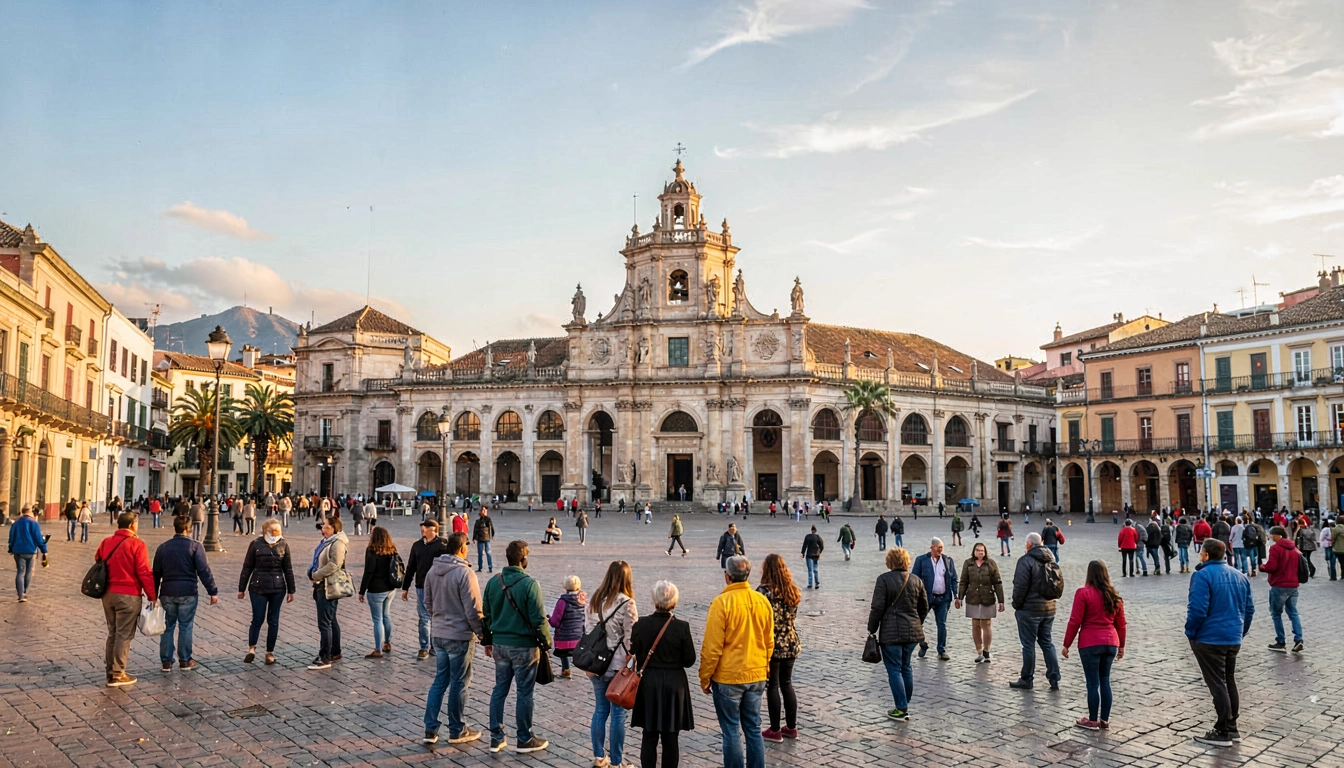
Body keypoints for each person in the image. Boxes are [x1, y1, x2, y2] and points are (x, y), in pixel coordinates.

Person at [700, 555, 773, 768]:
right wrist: (765, 667)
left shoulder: (721, 603)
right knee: (753, 727)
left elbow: (712, 648)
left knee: (731, 729)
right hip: (757, 673)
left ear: (727, 577)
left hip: (729, 677)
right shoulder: (762, 601)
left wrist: (705, 677)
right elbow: (769, 641)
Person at [481, 540, 551, 754]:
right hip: (524, 647)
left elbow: (487, 615)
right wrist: (546, 642)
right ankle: (524, 737)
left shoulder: (494, 582)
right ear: (523, 560)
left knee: (499, 689)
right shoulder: (530, 584)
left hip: (500, 645)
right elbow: (539, 619)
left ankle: (496, 736)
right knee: (524, 692)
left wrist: (487, 641)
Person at [1186, 539, 1254, 747]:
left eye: (1201, 553)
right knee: (1229, 680)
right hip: (1233, 637)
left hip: (1209, 638)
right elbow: (1249, 609)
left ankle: (1222, 730)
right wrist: (1240, 632)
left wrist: (1191, 632)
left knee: (1217, 683)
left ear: (1206, 555)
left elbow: (1198, 609)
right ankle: (1232, 728)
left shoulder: (1202, 575)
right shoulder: (1240, 575)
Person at [422, 531, 485, 746]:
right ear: (462, 548)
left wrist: (439, 619)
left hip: (438, 633)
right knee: (459, 682)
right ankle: (457, 729)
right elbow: (473, 609)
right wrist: (481, 633)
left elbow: (427, 604)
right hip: (459, 636)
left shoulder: (433, 570)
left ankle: (430, 729)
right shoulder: (465, 573)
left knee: (440, 680)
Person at [585, 561, 638, 768]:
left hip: (596, 664)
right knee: (618, 715)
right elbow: (630, 637)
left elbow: (588, 629)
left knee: (600, 710)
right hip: (617, 666)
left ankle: (599, 757)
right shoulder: (627, 603)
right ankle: (617, 761)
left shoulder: (595, 600)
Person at [1061, 561, 1126, 730]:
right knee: (1105, 680)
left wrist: (1066, 644)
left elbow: (1075, 621)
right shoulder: (1114, 596)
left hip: (1090, 642)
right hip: (1111, 642)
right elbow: (1121, 624)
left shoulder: (1083, 593)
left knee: (1092, 683)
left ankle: (1092, 720)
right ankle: (1104, 719)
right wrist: (1121, 646)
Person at [95, 511, 157, 687]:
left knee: (113, 632)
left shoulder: (106, 542)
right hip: (128, 595)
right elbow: (144, 571)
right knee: (124, 634)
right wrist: (152, 595)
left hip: (107, 594)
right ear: (132, 525)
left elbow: (97, 558)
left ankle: (110, 671)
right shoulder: (137, 544)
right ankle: (117, 673)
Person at [868, 547, 929, 721]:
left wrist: (872, 629)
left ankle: (901, 708)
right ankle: (905, 703)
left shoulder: (884, 579)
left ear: (890, 561)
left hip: (891, 633)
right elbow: (923, 608)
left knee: (894, 669)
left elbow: (877, 607)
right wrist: (916, 622)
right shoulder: (916, 580)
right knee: (906, 667)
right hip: (912, 632)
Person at [152, 515, 219, 672]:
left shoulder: (163, 547)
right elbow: (204, 571)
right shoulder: (195, 547)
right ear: (189, 529)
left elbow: (155, 573)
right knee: (185, 626)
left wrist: (153, 594)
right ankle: (185, 659)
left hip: (167, 592)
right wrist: (212, 591)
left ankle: (166, 661)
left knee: (167, 627)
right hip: (188, 592)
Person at [238, 518, 296, 665]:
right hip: (259, 586)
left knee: (272, 620)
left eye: (277, 531)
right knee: (258, 619)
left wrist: (291, 590)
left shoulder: (283, 544)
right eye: (272, 531)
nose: (275, 533)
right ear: (265, 531)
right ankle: (252, 649)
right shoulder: (255, 544)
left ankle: (269, 651)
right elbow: (247, 567)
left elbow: (288, 569)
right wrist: (241, 588)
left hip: (277, 587)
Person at [1009, 532, 1061, 691]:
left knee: (1028, 645)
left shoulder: (1025, 561)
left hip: (1030, 610)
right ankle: (1054, 678)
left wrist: (1016, 605)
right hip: (1049, 608)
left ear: (1028, 545)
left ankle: (1027, 678)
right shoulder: (1051, 559)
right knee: (1047, 642)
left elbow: (1020, 587)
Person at [757, 555, 800, 742]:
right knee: (787, 683)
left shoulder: (764, 592)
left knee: (772, 685)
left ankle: (775, 729)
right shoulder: (792, 589)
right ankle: (791, 727)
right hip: (790, 640)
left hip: (772, 642)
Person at [402, 519, 451, 660]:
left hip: (438, 587)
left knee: (436, 617)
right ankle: (424, 647)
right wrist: (405, 587)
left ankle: (435, 646)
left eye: (426, 527)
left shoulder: (442, 545)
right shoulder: (417, 546)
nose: (423, 529)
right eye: (422, 526)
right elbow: (411, 567)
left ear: (434, 529)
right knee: (423, 618)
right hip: (421, 586)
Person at [307, 516, 349, 670]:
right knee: (331, 620)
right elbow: (317, 559)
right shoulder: (327, 541)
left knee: (325, 623)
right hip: (322, 584)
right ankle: (335, 651)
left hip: (328, 585)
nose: (322, 529)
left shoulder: (337, 543)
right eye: (323, 526)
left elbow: (334, 564)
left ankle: (325, 657)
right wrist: (310, 571)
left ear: (334, 528)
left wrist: (317, 574)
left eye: (325, 527)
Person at [956, 541, 1004, 663]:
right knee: (976, 624)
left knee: (986, 624)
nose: (980, 552)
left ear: (985, 552)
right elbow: (963, 581)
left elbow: (997, 582)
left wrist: (1001, 600)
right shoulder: (968, 563)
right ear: (974, 551)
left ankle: (986, 650)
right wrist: (959, 597)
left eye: (982, 550)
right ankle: (979, 651)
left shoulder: (991, 564)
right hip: (973, 597)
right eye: (978, 550)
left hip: (987, 597)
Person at [912, 538, 957, 661]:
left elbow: (953, 579)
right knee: (917, 623)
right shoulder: (921, 560)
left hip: (943, 598)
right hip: (925, 599)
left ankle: (941, 650)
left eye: (942, 548)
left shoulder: (948, 561)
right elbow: (914, 579)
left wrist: (956, 595)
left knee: (942, 624)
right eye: (938, 547)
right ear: (932, 547)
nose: (940, 550)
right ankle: (922, 644)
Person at [1260, 526, 1304, 653]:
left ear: (1278, 535)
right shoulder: (1294, 548)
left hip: (1279, 585)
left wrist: (1262, 567)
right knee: (1293, 613)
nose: (1271, 537)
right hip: (1293, 585)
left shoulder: (1276, 548)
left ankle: (1280, 641)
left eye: (1272, 534)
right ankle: (1299, 639)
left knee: (1276, 614)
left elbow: (1272, 567)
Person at [358, 525, 398, 658]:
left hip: (376, 589)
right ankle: (387, 642)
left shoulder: (371, 550)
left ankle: (378, 650)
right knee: (386, 615)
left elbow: (368, 571)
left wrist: (362, 590)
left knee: (377, 619)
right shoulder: (392, 549)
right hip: (390, 589)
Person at [547, 575, 586, 679]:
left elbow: (555, 622)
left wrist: (549, 618)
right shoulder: (583, 600)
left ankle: (566, 669)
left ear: (566, 587)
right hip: (579, 637)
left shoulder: (562, 602)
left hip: (564, 637)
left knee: (564, 652)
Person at [8, 506, 47, 602]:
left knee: (20, 572)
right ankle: (24, 591)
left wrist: (10, 548)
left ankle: (20, 594)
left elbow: (11, 537)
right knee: (29, 571)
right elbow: (38, 538)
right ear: (30, 512)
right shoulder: (34, 523)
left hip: (18, 551)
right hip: (31, 550)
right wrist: (44, 550)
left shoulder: (16, 524)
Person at [473, 508, 496, 573]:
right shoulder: (478, 521)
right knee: (480, 554)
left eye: (485, 511)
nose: (483, 512)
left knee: (488, 553)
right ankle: (480, 567)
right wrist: (474, 538)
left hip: (486, 538)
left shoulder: (487, 519)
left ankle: (490, 567)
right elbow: (475, 530)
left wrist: (493, 535)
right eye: (482, 510)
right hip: (480, 538)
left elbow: (491, 527)